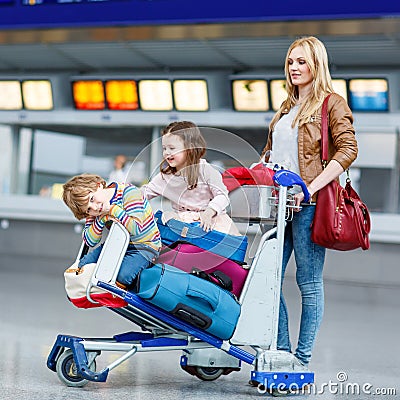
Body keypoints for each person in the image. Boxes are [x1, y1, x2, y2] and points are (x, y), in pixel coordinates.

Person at [260, 36, 358, 367]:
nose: (294, 68)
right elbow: (274, 154)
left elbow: (348, 149)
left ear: (317, 64)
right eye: (290, 62)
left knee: (308, 281)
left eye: (302, 61)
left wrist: (310, 188)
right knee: (267, 278)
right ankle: (283, 351)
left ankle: (301, 359)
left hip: (310, 206)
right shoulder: (286, 108)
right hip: (279, 207)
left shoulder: (332, 103)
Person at [141, 121, 240, 236]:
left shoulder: (206, 171)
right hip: (184, 224)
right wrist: (124, 194)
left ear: (190, 148)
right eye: (164, 148)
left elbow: (222, 196)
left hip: (211, 223)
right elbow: (144, 193)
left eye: (172, 148)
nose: (167, 153)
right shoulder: (165, 176)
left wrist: (209, 212)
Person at [62, 173, 161, 289]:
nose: (94, 207)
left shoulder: (129, 193)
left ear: (98, 186)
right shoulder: (95, 211)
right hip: (118, 244)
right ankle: (93, 290)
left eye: (92, 199)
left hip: (145, 246)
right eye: (88, 209)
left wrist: (112, 210)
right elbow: (90, 241)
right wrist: (101, 218)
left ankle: (111, 291)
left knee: (122, 276)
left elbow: (137, 229)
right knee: (83, 267)